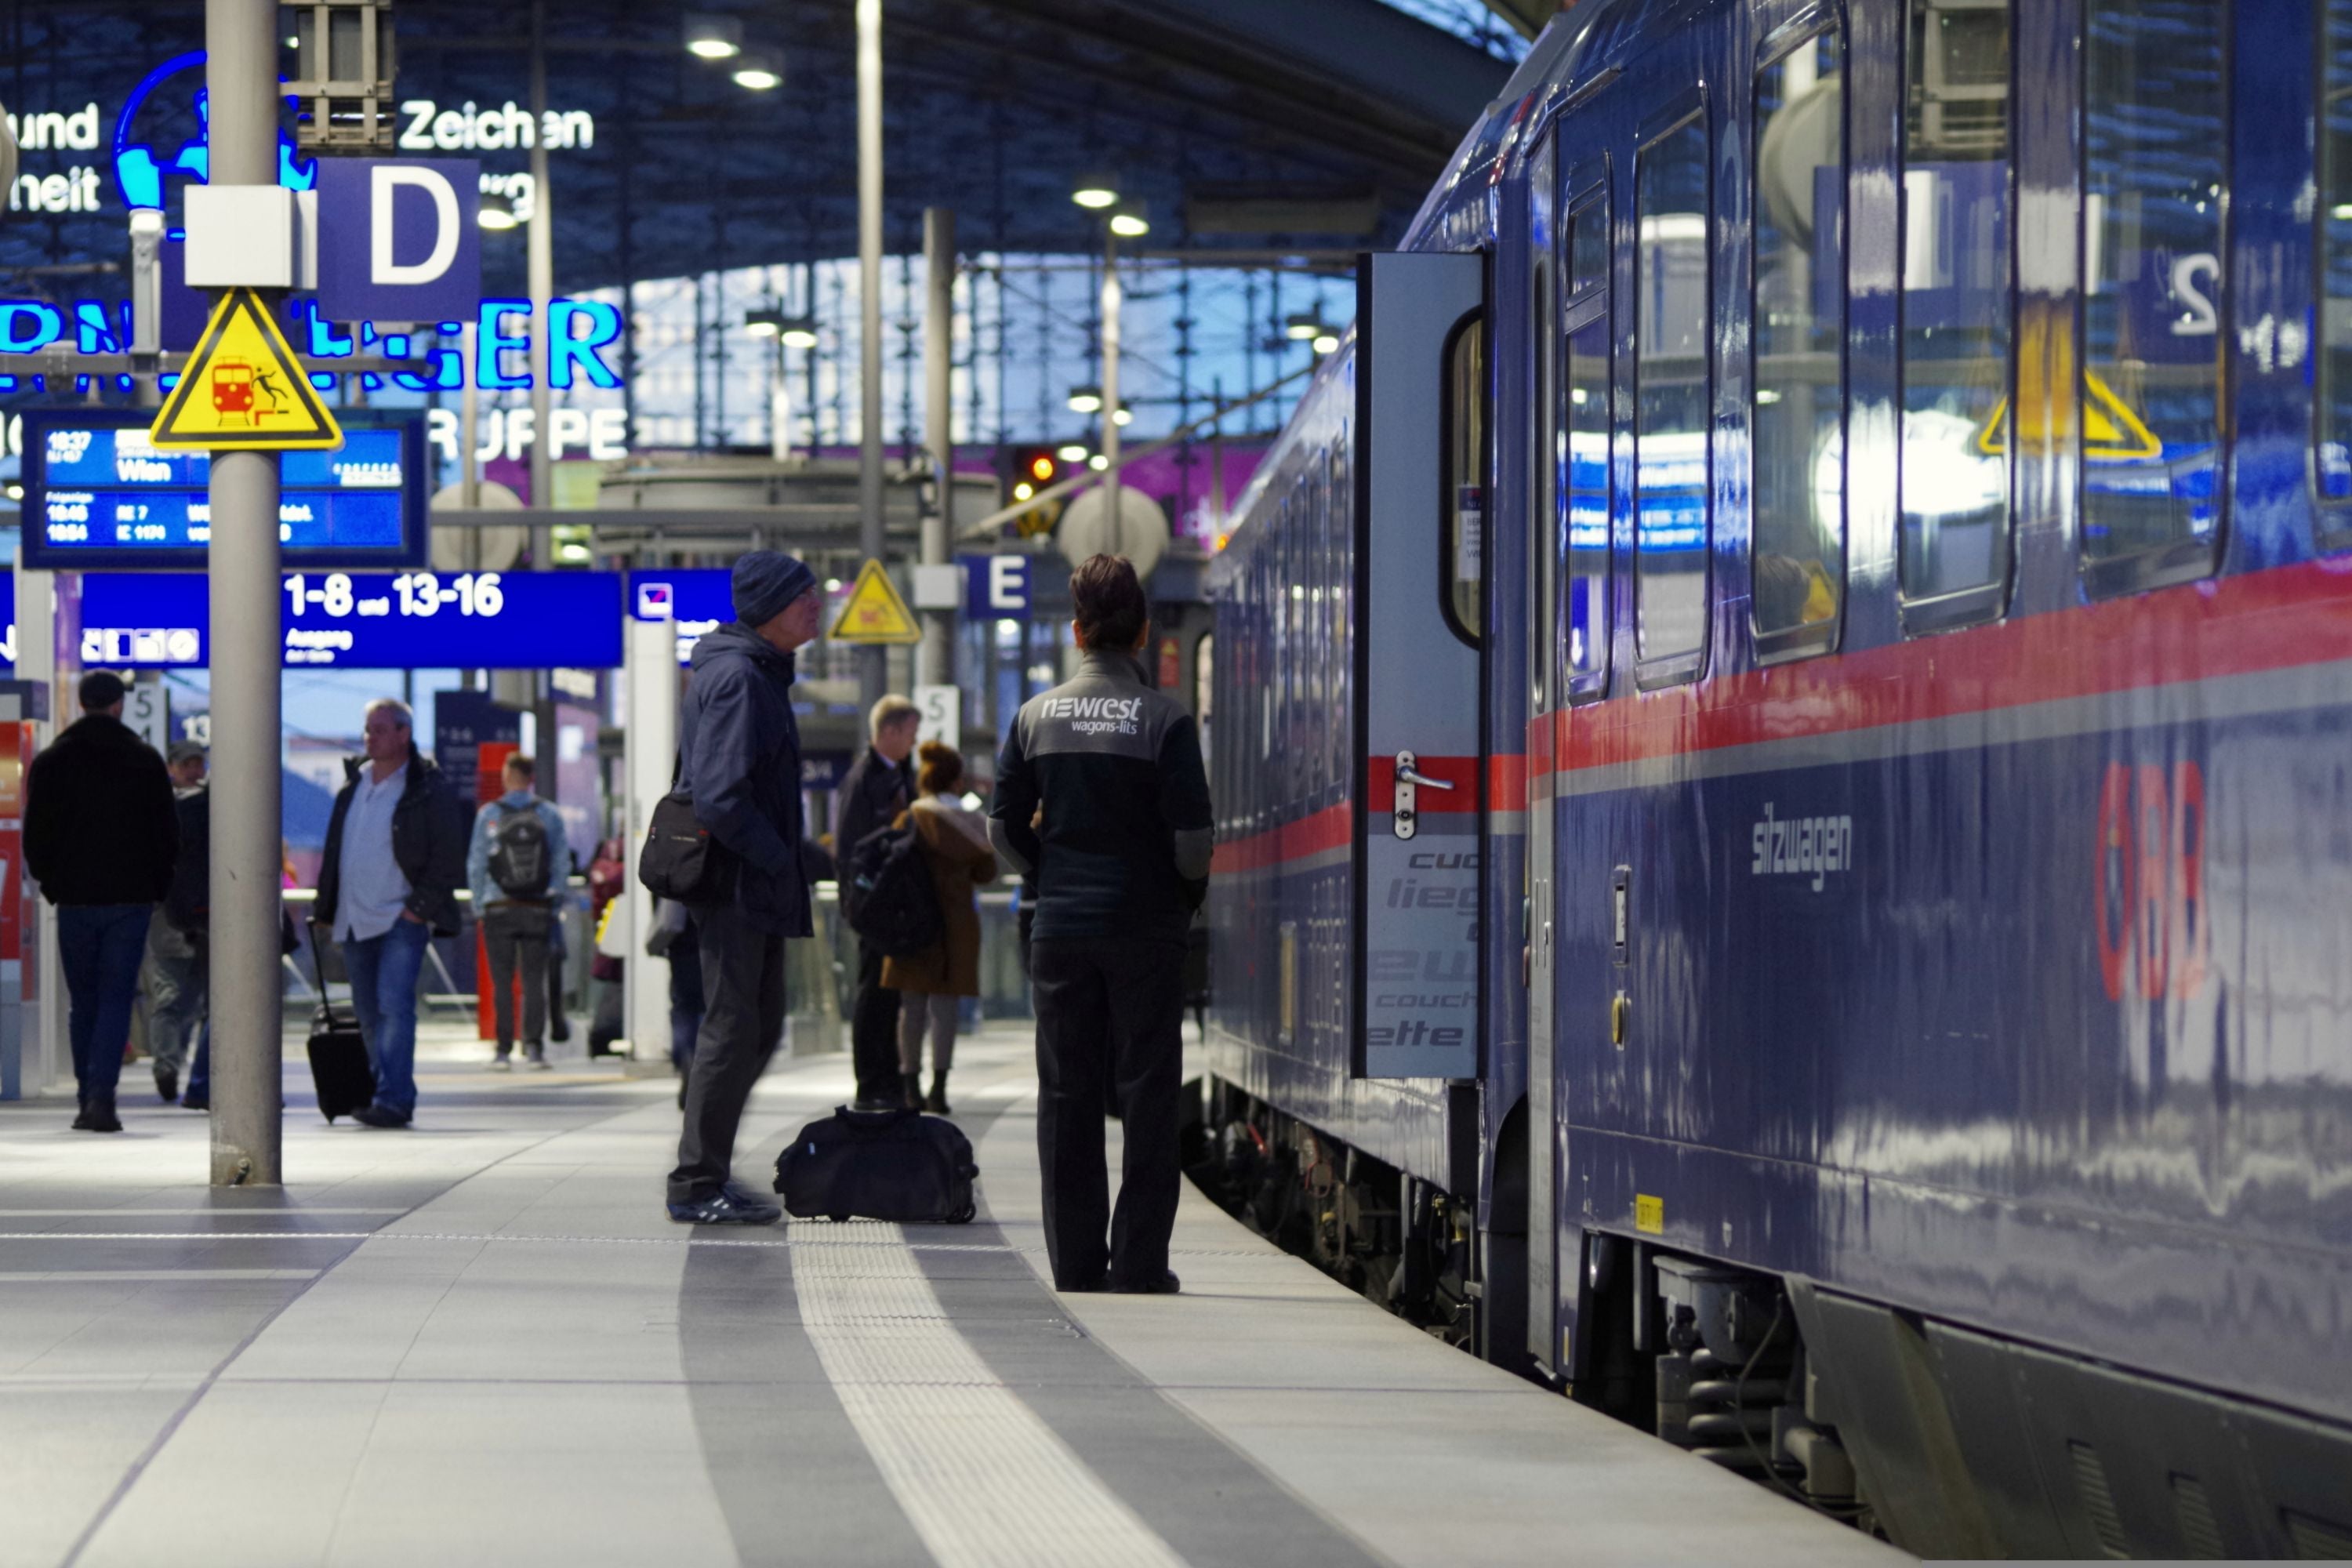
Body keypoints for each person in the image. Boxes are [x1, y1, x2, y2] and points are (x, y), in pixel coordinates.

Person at [990, 554, 1214, 1295]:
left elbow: (1001, 831)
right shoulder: (1167, 719)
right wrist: (1182, 897)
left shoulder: (1033, 717)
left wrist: (1046, 878)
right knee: (1149, 1093)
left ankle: (1077, 1265)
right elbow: (1191, 843)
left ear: (1077, 631)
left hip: (1060, 929)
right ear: (1143, 634)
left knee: (1067, 1094)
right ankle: (1141, 1264)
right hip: (1146, 929)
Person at [666, 550, 822, 1225]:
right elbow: (723, 798)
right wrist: (778, 859)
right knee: (733, 1028)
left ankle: (710, 1170)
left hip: (752, 881)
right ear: (776, 609)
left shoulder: (756, 674)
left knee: (756, 1026)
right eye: (809, 597)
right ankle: (697, 1182)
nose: (819, 607)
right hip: (736, 884)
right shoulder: (739, 679)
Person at [24, 671, 179, 1133]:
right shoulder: (144, 759)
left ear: (81, 702)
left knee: (83, 1001)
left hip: (74, 900)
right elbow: (166, 834)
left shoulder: (53, 761)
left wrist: (53, 884)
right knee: (116, 998)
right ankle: (101, 1099)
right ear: (118, 704)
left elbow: (36, 837)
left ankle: (84, 1094)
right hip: (129, 899)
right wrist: (155, 886)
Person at [314, 698, 466, 1129]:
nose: (370, 737)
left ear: (404, 734)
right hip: (354, 917)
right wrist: (327, 907)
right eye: (367, 729)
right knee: (367, 1011)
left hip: (401, 918)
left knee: (394, 1006)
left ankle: (396, 1099)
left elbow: (446, 855)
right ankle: (383, 1091)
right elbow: (335, 852)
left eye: (379, 729)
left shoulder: (425, 788)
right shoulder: (354, 785)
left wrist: (418, 912)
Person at [880, 741, 997, 1115]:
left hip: (912, 922)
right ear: (956, 780)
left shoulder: (912, 816)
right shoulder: (973, 824)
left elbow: (891, 859)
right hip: (957, 926)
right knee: (944, 1009)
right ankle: (939, 1088)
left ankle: (909, 1086)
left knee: (911, 1007)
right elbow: (987, 872)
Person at [835, 693, 919, 1109]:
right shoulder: (864, 779)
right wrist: (857, 900)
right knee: (873, 992)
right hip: (873, 903)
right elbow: (851, 847)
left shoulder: (901, 774)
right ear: (888, 731)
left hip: (893, 901)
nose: (913, 742)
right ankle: (871, 1078)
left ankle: (887, 1075)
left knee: (889, 993)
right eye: (909, 733)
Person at [466, 753, 570, 1070]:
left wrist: (479, 905)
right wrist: (554, 898)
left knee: (502, 981)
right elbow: (561, 862)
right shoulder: (549, 814)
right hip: (537, 907)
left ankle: (503, 1049)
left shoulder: (489, 814)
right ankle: (535, 1048)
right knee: (534, 980)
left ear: (508, 774)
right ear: (531, 776)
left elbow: (477, 863)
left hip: (499, 907)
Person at [152, 740, 210, 1107]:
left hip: (199, 915)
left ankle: (176, 1066)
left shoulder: (209, 807)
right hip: (173, 918)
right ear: (172, 768)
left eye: (198, 763)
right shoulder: (164, 808)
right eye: (186, 764)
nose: (194, 770)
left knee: (192, 1001)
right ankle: (167, 1066)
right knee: (172, 996)